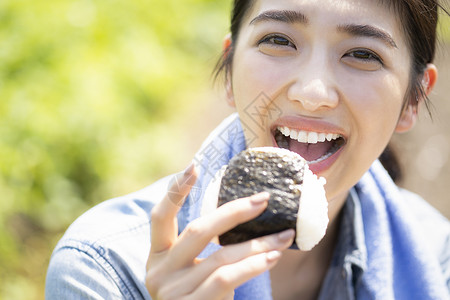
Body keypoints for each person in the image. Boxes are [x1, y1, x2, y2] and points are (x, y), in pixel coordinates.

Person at [45, 0, 450, 299]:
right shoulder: (105, 267)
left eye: (362, 54)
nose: (312, 94)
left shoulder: (437, 257)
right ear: (229, 69)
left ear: (413, 99)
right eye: (278, 40)